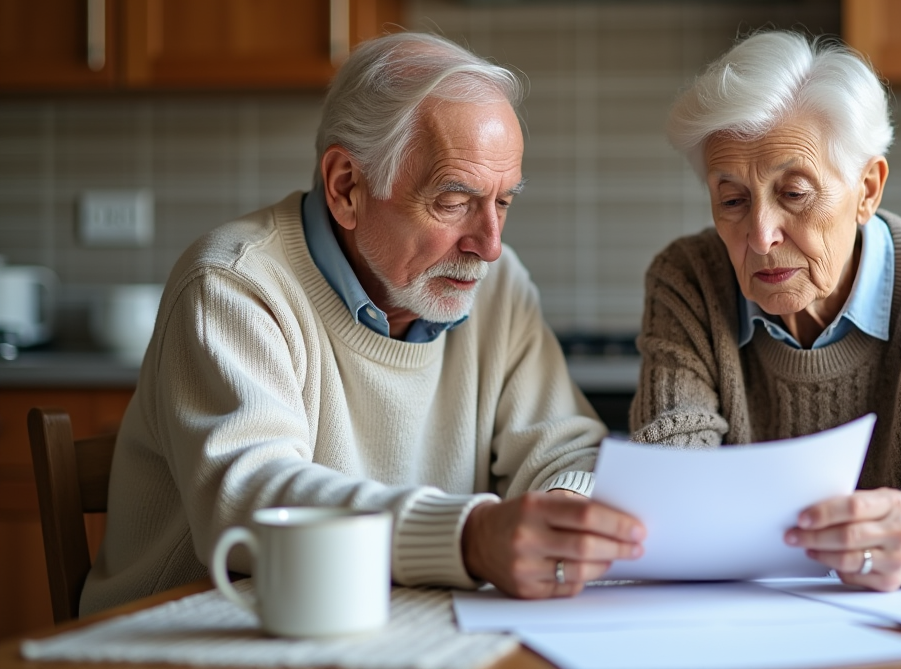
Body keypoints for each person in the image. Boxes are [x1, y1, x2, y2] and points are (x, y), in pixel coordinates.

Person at [82, 33, 644, 615]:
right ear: (347, 186)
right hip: (183, 635)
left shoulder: (496, 287)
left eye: (502, 202)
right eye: (454, 201)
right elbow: (253, 495)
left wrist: (558, 518)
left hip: (388, 624)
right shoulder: (233, 284)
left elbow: (564, 447)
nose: (490, 246)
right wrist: (470, 536)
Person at [630, 31, 901, 591]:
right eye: (732, 200)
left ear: (867, 189)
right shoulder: (689, 280)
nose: (761, 236)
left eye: (794, 193)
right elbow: (671, 484)